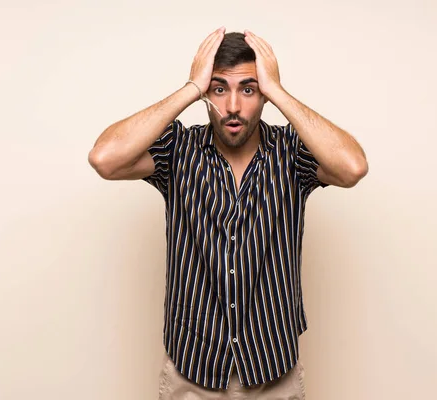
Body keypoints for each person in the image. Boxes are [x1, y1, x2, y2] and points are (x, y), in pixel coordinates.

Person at [88, 27, 368, 399]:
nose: (233, 106)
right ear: (207, 94)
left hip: (273, 374)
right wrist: (190, 87)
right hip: (192, 374)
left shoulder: (291, 152)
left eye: (248, 89)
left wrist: (279, 91)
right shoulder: (177, 151)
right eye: (220, 89)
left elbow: (352, 167)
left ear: (263, 94)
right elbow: (104, 158)